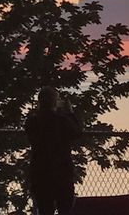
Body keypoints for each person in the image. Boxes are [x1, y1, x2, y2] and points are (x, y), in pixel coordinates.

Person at [25, 86, 83, 215]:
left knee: (44, 207)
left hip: (39, 170)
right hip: (62, 171)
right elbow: (77, 132)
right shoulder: (62, 121)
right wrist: (70, 113)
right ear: (55, 102)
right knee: (65, 206)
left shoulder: (32, 121)